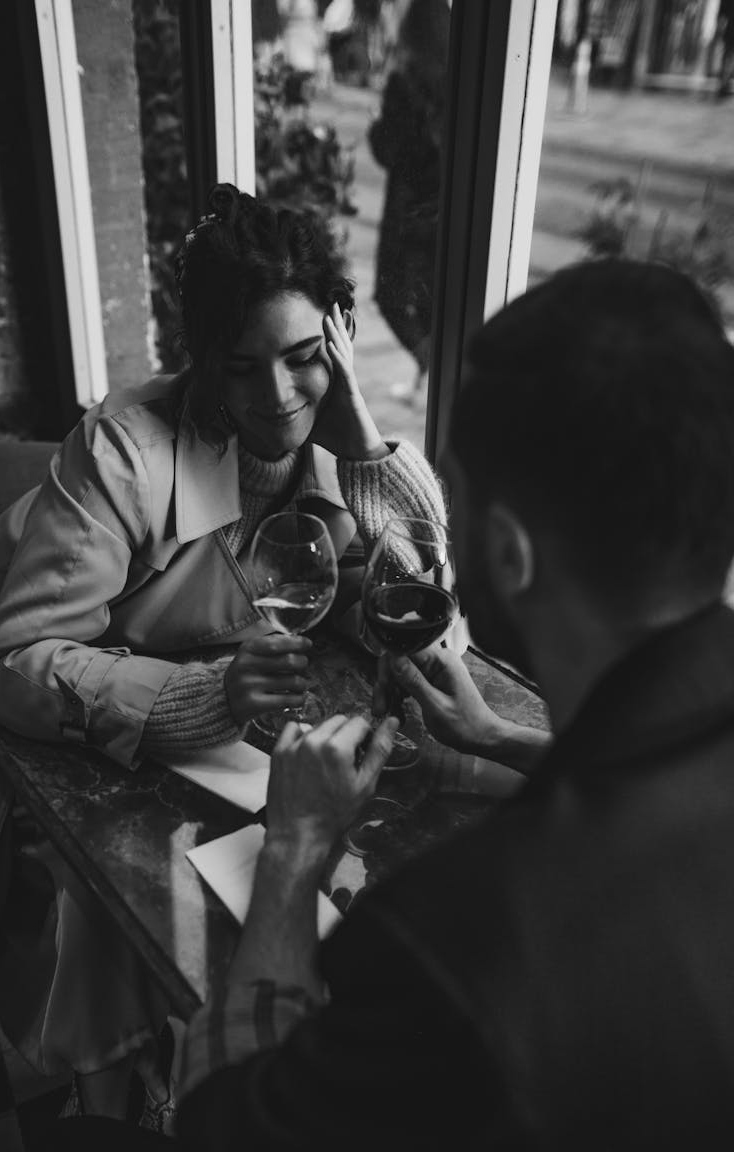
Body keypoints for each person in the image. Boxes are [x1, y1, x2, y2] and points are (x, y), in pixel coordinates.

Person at [167, 258, 734, 1149]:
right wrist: (498, 736)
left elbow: (224, 1128)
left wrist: (294, 848)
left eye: (455, 492)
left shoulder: (449, 946)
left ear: (506, 554)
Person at [0, 183, 448, 1130]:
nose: (276, 398)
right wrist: (203, 696)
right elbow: (8, 665)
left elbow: (422, 594)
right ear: (203, 365)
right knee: (135, 925)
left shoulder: (334, 430)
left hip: (240, 734)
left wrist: (356, 427)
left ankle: (225, 1077)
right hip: (74, 734)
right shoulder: (123, 449)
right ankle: (115, 1110)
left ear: (340, 340)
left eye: (306, 359)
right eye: (242, 368)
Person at [368, 0, 450, 402]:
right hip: (441, 205)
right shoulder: (458, 78)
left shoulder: (405, 81)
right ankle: (428, 380)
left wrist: (375, 126)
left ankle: (429, 367)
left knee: (391, 296)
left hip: (405, 207)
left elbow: (389, 150)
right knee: (433, 298)